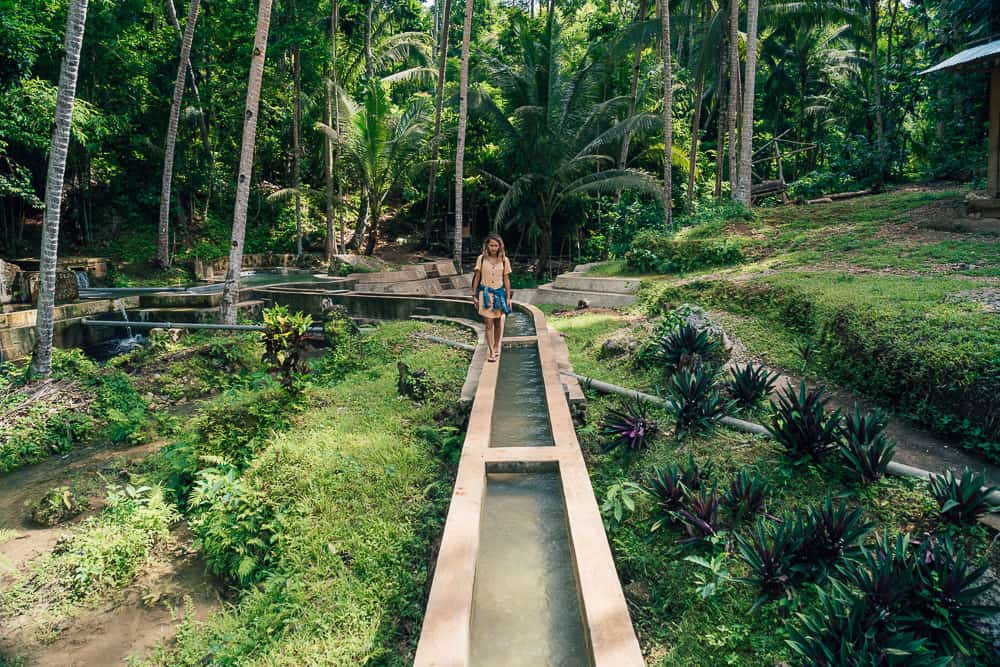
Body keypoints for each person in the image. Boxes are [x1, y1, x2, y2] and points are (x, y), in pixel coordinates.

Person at [470, 233, 513, 362]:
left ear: (500, 246)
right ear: (487, 246)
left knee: (498, 323)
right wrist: (474, 295)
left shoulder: (505, 260)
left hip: (499, 294)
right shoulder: (481, 259)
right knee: (488, 323)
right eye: (491, 245)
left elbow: (506, 279)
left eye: (496, 245)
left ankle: (496, 345)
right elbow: (477, 277)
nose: (493, 248)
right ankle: (492, 351)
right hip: (485, 294)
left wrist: (508, 297)